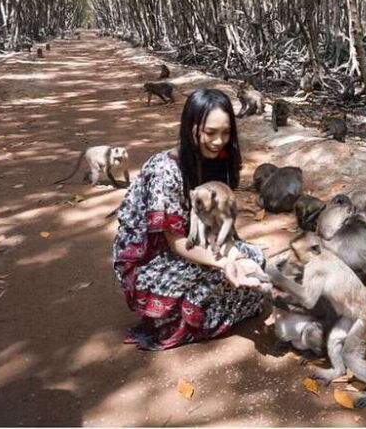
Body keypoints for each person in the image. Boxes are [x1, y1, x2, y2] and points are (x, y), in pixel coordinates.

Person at [112, 88, 267, 350]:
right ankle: (172, 315)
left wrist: (232, 255)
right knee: (227, 272)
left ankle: (202, 305)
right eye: (210, 133)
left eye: (226, 133)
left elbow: (221, 225)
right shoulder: (165, 170)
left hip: (197, 241)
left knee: (254, 259)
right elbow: (176, 242)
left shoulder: (221, 159)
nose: (219, 141)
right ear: (191, 128)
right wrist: (225, 262)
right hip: (155, 256)